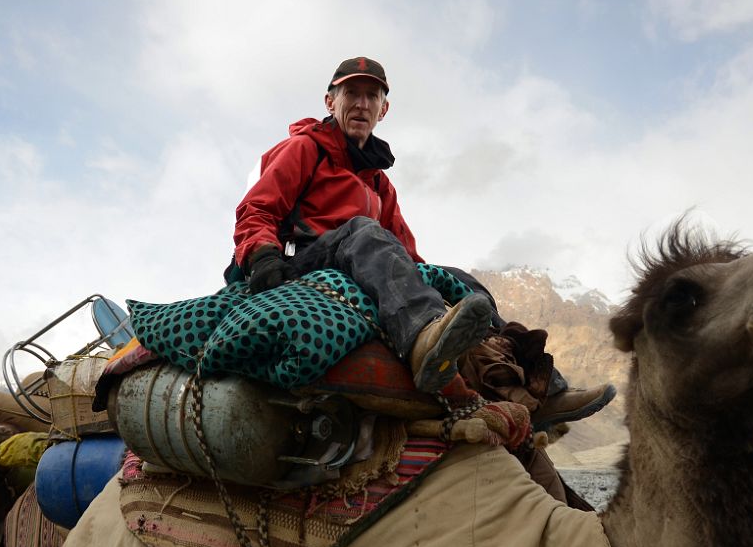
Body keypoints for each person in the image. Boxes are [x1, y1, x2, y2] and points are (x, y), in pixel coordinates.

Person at [231, 56, 614, 423]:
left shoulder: (380, 184)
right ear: (331, 101)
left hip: (361, 253)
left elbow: (405, 253)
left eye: (372, 96)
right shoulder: (306, 150)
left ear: (384, 110)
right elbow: (257, 209)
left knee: (460, 279)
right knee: (363, 231)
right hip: (306, 262)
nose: (362, 104)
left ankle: (544, 387)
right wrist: (263, 257)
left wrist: (435, 283)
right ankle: (423, 343)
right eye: (352, 94)